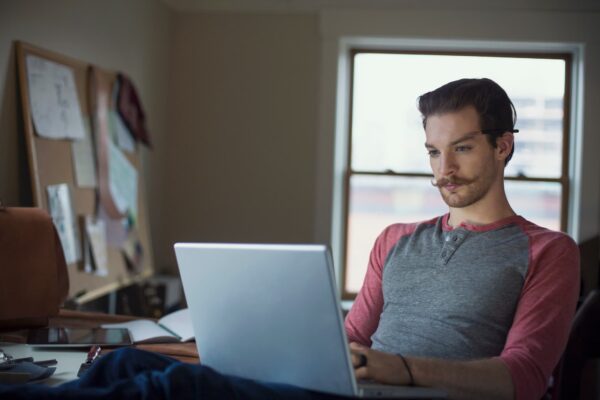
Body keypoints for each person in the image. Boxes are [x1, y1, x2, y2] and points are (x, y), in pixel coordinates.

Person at [345, 78, 580, 400]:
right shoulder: (394, 238)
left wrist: (404, 370)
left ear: (502, 146)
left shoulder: (549, 250)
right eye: (434, 152)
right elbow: (351, 338)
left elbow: (524, 377)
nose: (445, 170)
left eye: (462, 148)